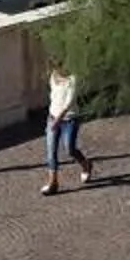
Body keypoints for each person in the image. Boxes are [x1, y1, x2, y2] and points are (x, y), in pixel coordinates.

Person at [40, 61, 91, 195]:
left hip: (69, 119)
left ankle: (85, 164)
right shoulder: (53, 76)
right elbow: (54, 97)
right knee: (51, 151)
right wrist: (53, 118)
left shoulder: (73, 79)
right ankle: (53, 182)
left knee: (70, 149)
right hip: (52, 117)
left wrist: (58, 120)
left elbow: (68, 103)